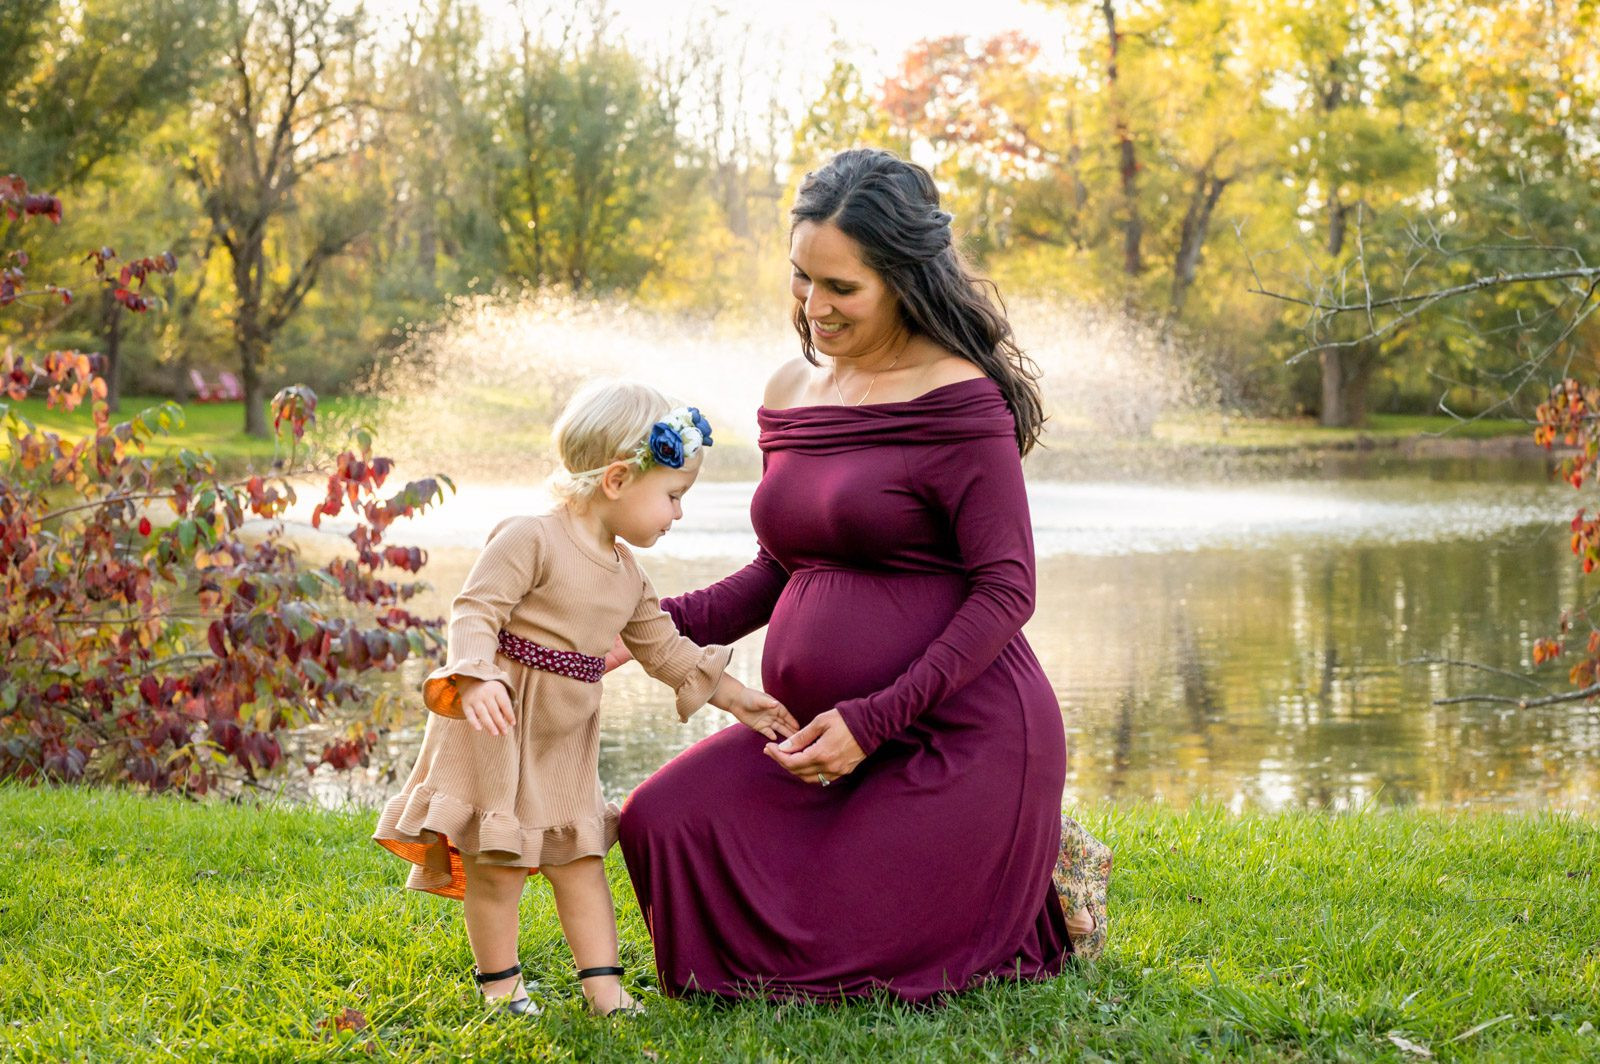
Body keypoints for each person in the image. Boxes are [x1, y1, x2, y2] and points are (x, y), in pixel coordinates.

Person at [614, 148, 1106, 1003]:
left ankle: (1028, 892)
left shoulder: (960, 399)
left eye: (843, 288)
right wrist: (639, 626)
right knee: (664, 824)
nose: (815, 305)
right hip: (814, 735)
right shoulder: (791, 388)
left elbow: (1007, 590)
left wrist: (874, 721)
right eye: (803, 278)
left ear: (906, 281)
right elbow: (780, 567)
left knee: (832, 966)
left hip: (952, 738)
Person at [372, 381, 797, 1017]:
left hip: (564, 735)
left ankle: (604, 989)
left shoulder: (629, 576)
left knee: (581, 855)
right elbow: (474, 610)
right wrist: (477, 674)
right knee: (500, 860)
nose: (676, 515)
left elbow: (666, 650)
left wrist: (739, 699)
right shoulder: (531, 537)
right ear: (619, 480)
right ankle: (501, 987)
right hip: (499, 721)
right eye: (673, 498)